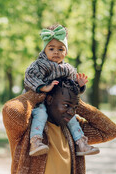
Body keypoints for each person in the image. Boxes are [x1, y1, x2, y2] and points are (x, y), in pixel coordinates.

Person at [2, 78, 116, 174]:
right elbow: (11, 110)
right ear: (49, 99)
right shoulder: (27, 130)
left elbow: (111, 130)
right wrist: (39, 93)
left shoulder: (74, 131)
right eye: (66, 105)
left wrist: (75, 100)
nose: (71, 112)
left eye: (74, 107)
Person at [24, 24, 99, 157]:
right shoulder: (40, 65)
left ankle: (81, 143)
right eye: (51, 48)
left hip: (59, 104)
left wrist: (79, 85)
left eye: (60, 49)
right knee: (40, 114)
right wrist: (43, 87)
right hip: (40, 99)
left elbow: (70, 90)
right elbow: (30, 77)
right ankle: (35, 141)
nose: (56, 52)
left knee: (72, 118)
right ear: (44, 50)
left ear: (66, 52)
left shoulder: (68, 69)